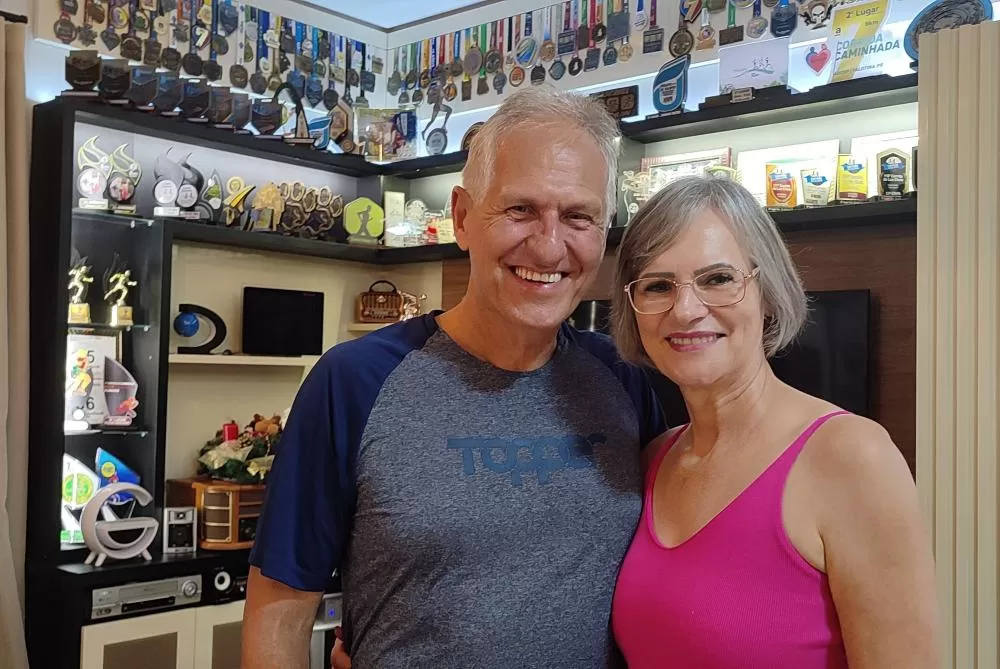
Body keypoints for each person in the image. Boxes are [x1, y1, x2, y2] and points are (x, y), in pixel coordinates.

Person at [241, 87, 666, 669]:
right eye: (520, 210)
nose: (549, 247)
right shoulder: (354, 382)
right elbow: (280, 612)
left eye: (578, 216)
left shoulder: (627, 380)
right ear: (463, 218)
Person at [608, 175, 940, 668]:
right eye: (658, 286)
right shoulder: (654, 459)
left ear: (767, 293)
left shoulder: (852, 456)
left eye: (717, 279)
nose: (686, 310)